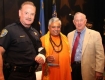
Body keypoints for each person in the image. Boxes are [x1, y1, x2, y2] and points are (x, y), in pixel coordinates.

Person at [0, 1, 46, 80]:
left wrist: (42, 56)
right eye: (26, 13)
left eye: (32, 14)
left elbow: (41, 49)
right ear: (20, 13)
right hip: (15, 75)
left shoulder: (35, 33)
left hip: (31, 75)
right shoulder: (10, 30)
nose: (29, 16)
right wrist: (0, 76)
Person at [67, 12, 105, 80]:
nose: (79, 23)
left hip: (88, 69)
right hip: (72, 68)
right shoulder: (69, 35)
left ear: (85, 21)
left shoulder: (95, 35)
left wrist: (99, 70)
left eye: (81, 20)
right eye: (77, 20)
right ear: (73, 22)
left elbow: (100, 55)